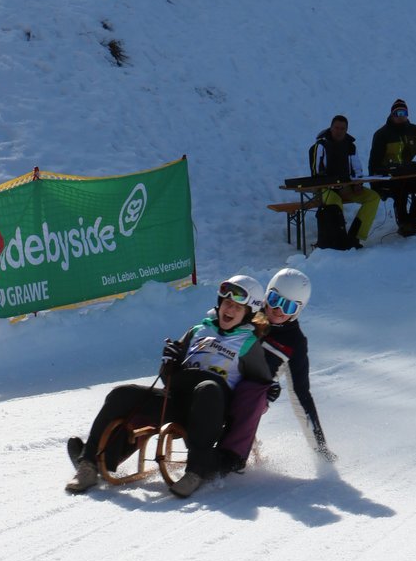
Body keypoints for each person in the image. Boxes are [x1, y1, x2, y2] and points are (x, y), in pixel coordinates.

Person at [65, 274, 271, 499]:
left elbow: (255, 391)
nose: (229, 309)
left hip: (210, 410)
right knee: (120, 394)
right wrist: (169, 362)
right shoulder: (199, 330)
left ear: (248, 313)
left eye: (237, 307)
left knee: (208, 388)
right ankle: (89, 463)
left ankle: (196, 471)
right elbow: (168, 377)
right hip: (176, 401)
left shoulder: (249, 344)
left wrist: (266, 392)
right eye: (227, 303)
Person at [217, 267, 333, 471]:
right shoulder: (249, 313)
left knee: (246, 398)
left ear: (298, 310)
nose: (278, 310)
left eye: (288, 306)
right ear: (266, 295)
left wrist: (321, 449)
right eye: (274, 299)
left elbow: (301, 396)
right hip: (219, 377)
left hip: (251, 396)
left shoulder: (294, 342)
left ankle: (233, 451)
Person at [309, 114, 381, 249]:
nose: (339, 131)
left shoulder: (350, 146)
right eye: (336, 128)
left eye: (342, 128)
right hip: (325, 189)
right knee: (335, 203)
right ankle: (339, 240)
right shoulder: (321, 146)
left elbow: (357, 169)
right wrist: (332, 184)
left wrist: (358, 183)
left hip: (347, 188)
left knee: (373, 198)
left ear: (346, 130)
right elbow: (316, 172)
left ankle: (355, 236)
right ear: (331, 128)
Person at [368, 98, 416, 237]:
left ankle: (410, 221)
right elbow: (374, 163)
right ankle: (404, 223)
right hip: (389, 178)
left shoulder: (414, 130)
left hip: (409, 174)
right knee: (400, 186)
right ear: (392, 114)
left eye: (404, 113)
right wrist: (375, 184)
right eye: (398, 113)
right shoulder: (382, 134)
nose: (401, 116)